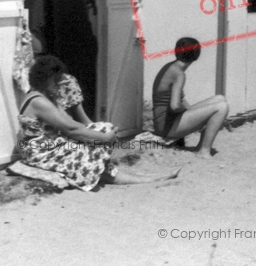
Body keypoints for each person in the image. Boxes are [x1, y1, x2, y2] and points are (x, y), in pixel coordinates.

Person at [18, 55, 179, 190]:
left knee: (102, 129)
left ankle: (125, 175)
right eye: (56, 80)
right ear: (46, 79)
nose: (59, 84)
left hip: (52, 145)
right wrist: (103, 138)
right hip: (41, 152)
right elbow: (70, 129)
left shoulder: (45, 96)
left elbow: (71, 123)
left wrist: (98, 133)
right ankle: (135, 178)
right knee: (96, 140)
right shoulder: (39, 101)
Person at [152, 37, 229, 158]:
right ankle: (204, 151)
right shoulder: (179, 74)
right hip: (167, 127)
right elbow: (175, 105)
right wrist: (195, 115)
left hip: (164, 122)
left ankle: (200, 146)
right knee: (222, 107)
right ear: (196, 55)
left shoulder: (171, 67)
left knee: (219, 98)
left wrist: (196, 115)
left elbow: (178, 99)